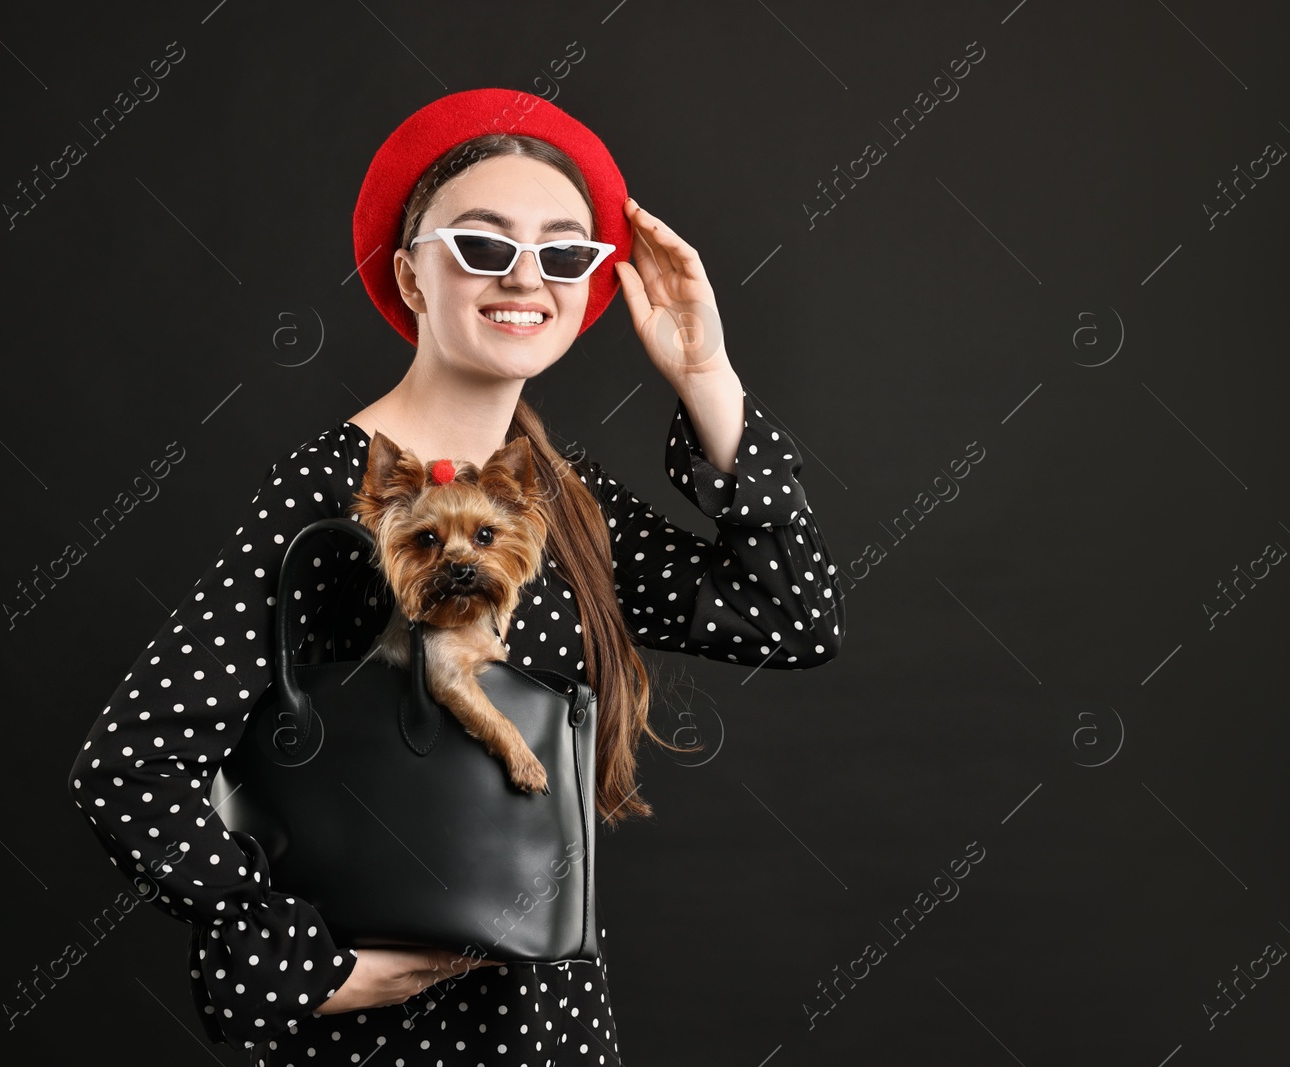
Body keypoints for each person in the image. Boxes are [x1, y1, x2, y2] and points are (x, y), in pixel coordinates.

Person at [67, 88, 845, 1065]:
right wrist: (294, 957)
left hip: (552, 1032)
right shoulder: (328, 494)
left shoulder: (566, 499)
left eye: (564, 253)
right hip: (387, 1045)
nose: (526, 277)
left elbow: (791, 616)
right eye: (483, 245)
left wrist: (707, 381)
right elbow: (129, 765)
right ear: (410, 273)